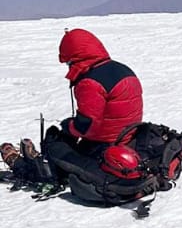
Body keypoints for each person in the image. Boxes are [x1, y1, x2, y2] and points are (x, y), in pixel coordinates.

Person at [41, 29, 144, 189]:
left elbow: (87, 126)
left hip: (107, 145)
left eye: (68, 62)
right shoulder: (123, 69)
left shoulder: (89, 82)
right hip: (130, 138)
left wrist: (67, 126)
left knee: (55, 144)